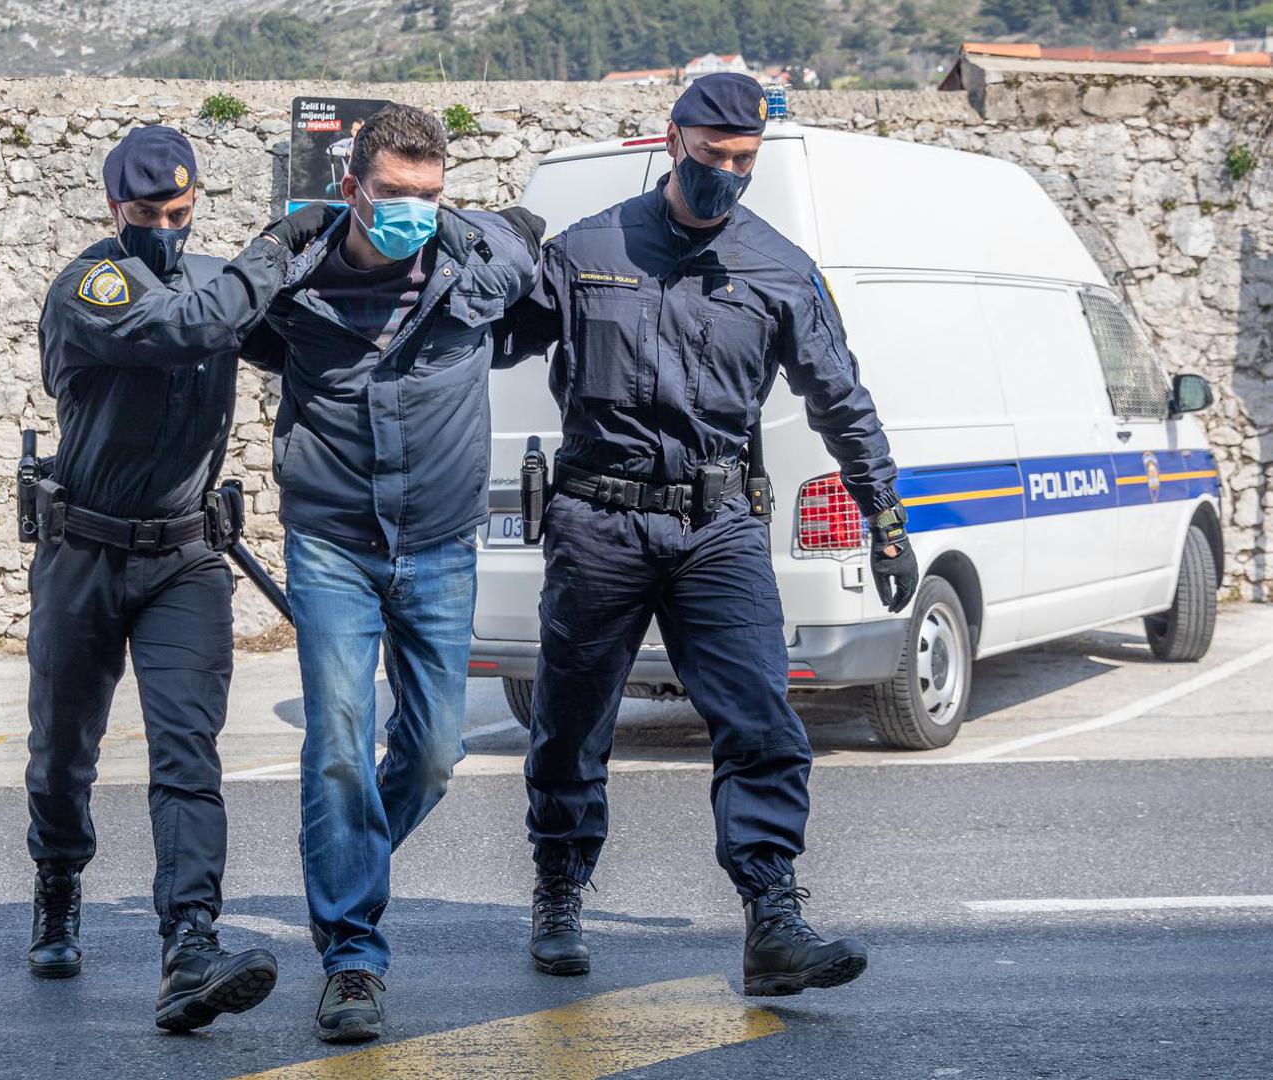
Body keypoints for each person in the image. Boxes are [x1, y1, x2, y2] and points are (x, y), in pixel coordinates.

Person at [496, 73, 919, 997]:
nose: (726, 174)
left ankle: (772, 916)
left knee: (763, 720)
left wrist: (884, 516)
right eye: (712, 154)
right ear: (673, 138)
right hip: (599, 517)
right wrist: (487, 250)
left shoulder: (777, 265)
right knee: (570, 722)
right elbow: (488, 340)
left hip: (717, 525)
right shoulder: (589, 247)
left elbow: (840, 398)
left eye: (743, 161)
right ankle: (560, 892)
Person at [240, 103, 542, 1042]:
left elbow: (534, 258)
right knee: (337, 739)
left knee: (437, 753)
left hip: (443, 545)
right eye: (395, 194)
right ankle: (352, 958)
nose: (414, 210)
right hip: (333, 544)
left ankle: (345, 866)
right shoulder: (295, 282)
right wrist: (268, 243)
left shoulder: (479, 262)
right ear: (351, 188)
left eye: (430, 194)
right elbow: (237, 325)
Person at [25, 124, 327, 1032]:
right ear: (114, 209)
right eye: (148, 211)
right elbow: (190, 328)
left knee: (190, 755)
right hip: (84, 551)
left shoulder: (214, 285)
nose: (167, 224)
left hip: (188, 558)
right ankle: (57, 884)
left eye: (181, 209)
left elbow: (306, 343)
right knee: (61, 750)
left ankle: (190, 945)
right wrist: (278, 245)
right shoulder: (93, 286)